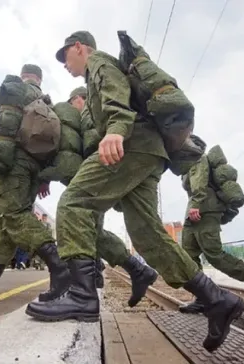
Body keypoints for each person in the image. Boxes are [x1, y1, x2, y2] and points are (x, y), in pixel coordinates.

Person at [25, 31, 244, 353]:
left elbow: (116, 96)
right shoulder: (94, 72)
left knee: (74, 203)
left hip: (131, 146)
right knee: (148, 234)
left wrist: (114, 131)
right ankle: (217, 299)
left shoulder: (98, 63)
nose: (64, 65)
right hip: (148, 152)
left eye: (65, 57)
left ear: (79, 48)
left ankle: (83, 297)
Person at [0, 64, 70, 304]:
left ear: (24, 77)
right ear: (39, 80)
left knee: (14, 216)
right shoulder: (46, 103)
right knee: (11, 224)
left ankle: (60, 268)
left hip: (13, 164)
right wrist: (44, 179)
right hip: (35, 170)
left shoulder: (13, 90)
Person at [65, 86, 159, 303]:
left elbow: (91, 142)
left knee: (82, 222)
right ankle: (135, 271)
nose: (72, 108)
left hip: (99, 173)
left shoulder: (90, 109)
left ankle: (84, 293)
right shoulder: (96, 107)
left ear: (79, 98)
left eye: (72, 103)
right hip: (101, 173)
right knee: (93, 230)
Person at [177, 154, 244, 314]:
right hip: (193, 210)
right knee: (188, 255)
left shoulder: (194, 155)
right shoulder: (184, 159)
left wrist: (196, 203)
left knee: (214, 255)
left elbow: (199, 179)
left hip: (205, 209)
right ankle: (202, 297)